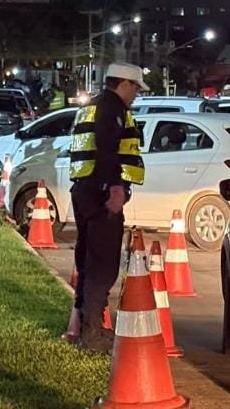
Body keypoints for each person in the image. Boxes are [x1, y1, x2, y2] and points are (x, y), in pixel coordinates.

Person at [68, 63, 147, 352]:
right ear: (124, 84)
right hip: (101, 195)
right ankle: (92, 334)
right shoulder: (112, 108)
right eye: (135, 87)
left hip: (84, 191)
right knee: (102, 265)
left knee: (88, 260)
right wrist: (115, 187)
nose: (136, 94)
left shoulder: (91, 106)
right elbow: (106, 147)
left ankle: (83, 326)